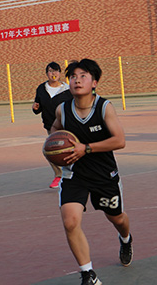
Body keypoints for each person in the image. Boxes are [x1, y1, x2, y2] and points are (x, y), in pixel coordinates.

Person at [50, 59, 132, 285]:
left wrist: (85, 148)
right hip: (74, 175)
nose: (77, 80)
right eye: (73, 77)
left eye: (83, 76)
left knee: (117, 218)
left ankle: (125, 239)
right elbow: (54, 130)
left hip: (103, 175)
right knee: (70, 221)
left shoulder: (104, 107)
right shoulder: (63, 110)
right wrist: (55, 147)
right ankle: (88, 274)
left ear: (94, 82)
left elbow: (119, 140)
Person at [33, 62, 73, 189]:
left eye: (56, 71)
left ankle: (75, 173)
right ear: (46, 74)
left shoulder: (68, 90)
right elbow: (38, 106)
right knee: (49, 150)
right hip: (50, 126)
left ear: (60, 73)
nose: (53, 74)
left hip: (67, 125)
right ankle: (58, 174)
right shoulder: (41, 89)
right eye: (50, 71)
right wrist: (35, 108)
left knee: (70, 149)